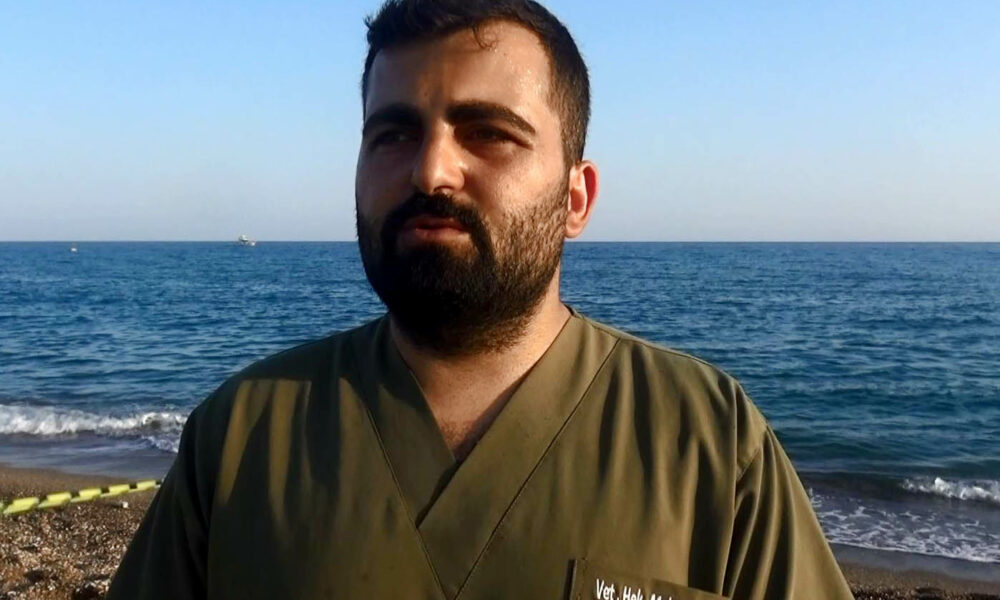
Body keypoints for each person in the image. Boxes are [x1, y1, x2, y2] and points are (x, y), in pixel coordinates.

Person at [107, 1, 854, 598]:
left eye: (489, 133)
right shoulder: (239, 439)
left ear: (576, 198)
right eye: (393, 134)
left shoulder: (712, 444)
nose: (431, 171)